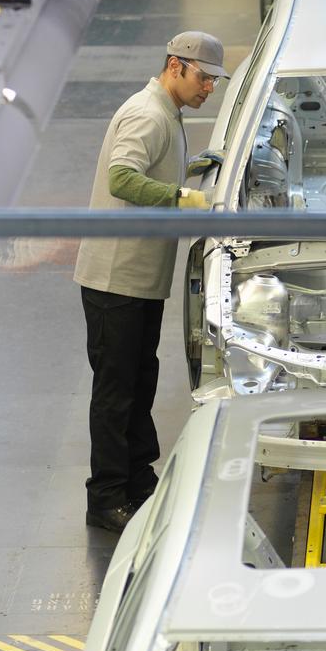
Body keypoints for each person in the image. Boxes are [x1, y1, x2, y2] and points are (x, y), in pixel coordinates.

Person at [74, 32, 228, 533]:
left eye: (213, 80)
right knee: (116, 389)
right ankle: (106, 496)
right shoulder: (148, 113)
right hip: (115, 278)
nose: (210, 88)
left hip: (140, 279)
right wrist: (184, 198)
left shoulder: (170, 113)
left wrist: (195, 173)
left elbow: (153, 171)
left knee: (140, 381)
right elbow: (122, 177)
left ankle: (138, 477)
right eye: (204, 77)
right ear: (175, 66)